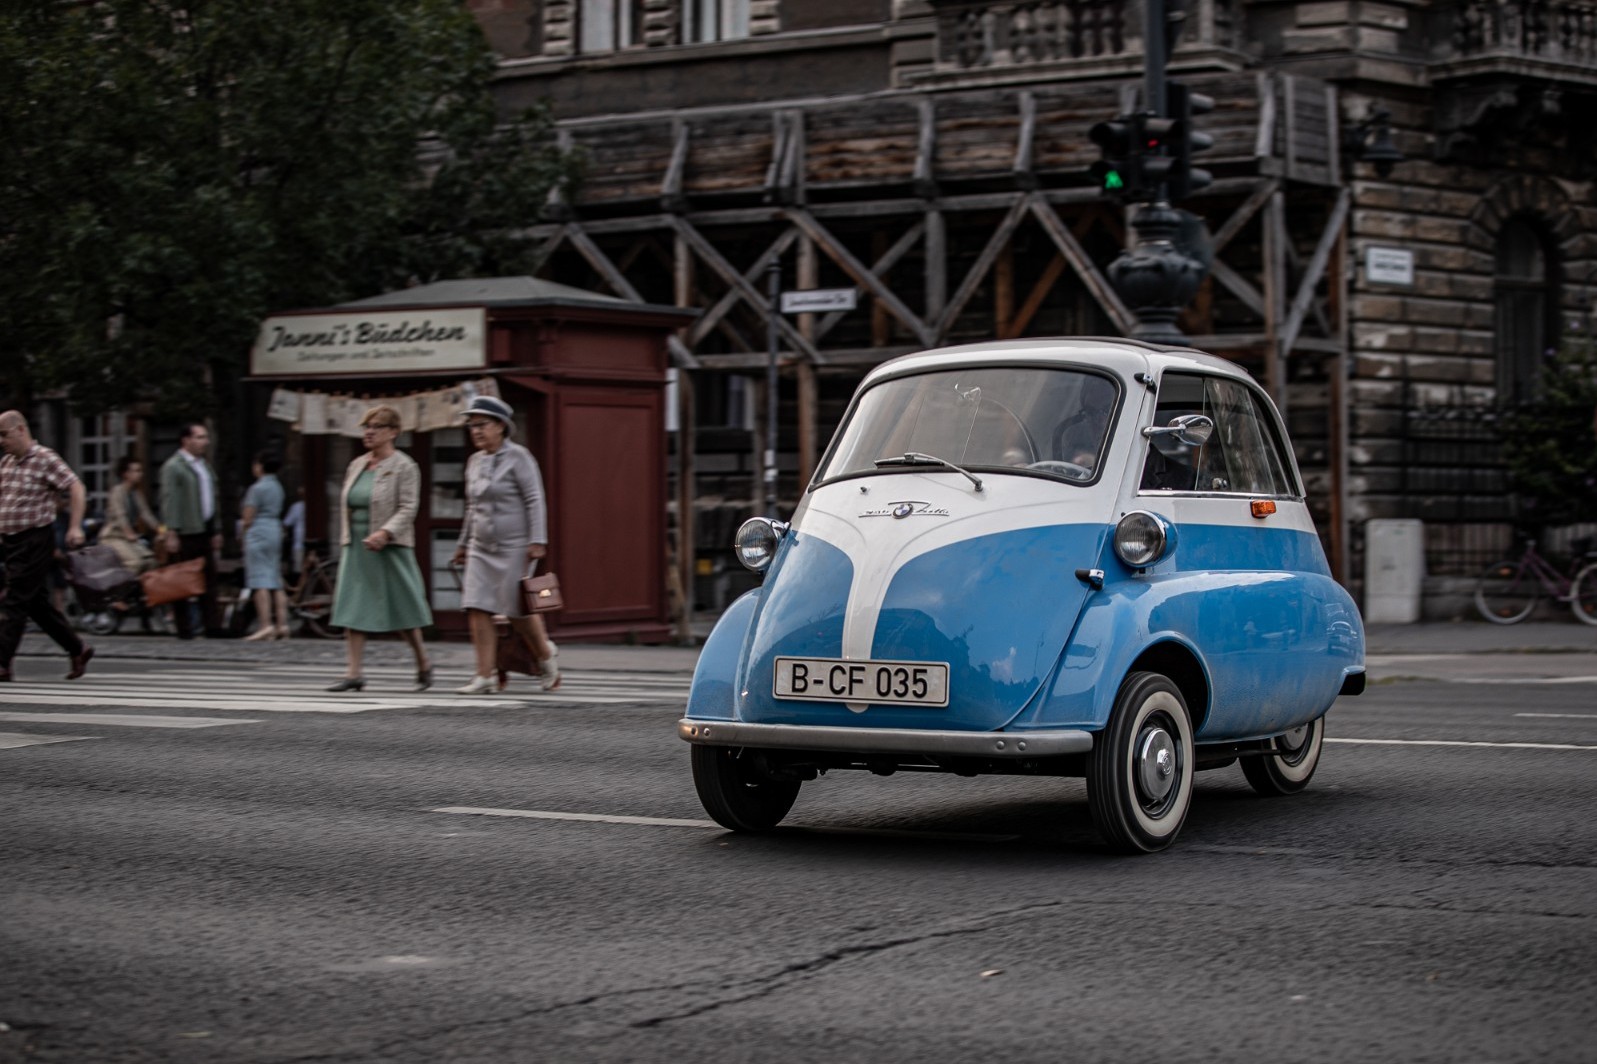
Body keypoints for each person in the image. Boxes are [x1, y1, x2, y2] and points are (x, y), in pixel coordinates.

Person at [451, 394, 559, 694]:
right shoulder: (474, 461)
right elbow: (472, 506)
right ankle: (483, 674)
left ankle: (546, 656)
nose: (476, 431)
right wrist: (462, 544)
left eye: (482, 424)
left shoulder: (519, 457)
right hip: (480, 546)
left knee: (517, 609)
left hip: (515, 545)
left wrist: (538, 540)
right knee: (477, 606)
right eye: (471, 426)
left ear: (500, 425)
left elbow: (534, 498)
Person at [326, 405, 434, 692]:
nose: (369, 432)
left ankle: (423, 662)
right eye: (366, 427)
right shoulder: (358, 464)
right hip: (357, 544)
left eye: (376, 426)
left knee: (403, 607)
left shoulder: (404, 466)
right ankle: (354, 672)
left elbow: (409, 507)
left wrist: (385, 533)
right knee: (353, 605)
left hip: (389, 545)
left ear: (393, 432)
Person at [0, 410, 94, 682]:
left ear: (21, 430)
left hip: (35, 539)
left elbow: (76, 487)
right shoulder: (6, 463)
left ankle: (2, 662)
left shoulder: (44, 458)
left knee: (16, 599)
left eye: (4, 435)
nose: (1, 441)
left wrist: (75, 526)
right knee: (36, 604)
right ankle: (78, 648)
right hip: (11, 541)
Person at [159, 422, 222, 639]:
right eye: (200, 437)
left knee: (209, 579)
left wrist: (216, 529)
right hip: (185, 529)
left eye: (205, 437)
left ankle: (212, 625)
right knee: (181, 581)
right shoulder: (174, 466)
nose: (205, 441)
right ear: (186, 440)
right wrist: (171, 531)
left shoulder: (203, 465)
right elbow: (170, 500)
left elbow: (213, 498)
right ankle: (184, 627)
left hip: (203, 528)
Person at [240, 451, 288, 641]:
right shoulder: (278, 487)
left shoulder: (257, 488)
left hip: (259, 531)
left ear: (260, 466)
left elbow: (248, 517)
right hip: (274, 529)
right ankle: (282, 624)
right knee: (275, 578)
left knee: (260, 580)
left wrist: (243, 534)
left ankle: (265, 624)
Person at [102, 455, 160, 575]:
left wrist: (162, 529)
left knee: (151, 561)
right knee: (135, 562)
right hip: (114, 537)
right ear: (126, 474)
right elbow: (120, 515)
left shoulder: (136, 494)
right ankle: (120, 590)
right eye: (136, 471)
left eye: (140, 471)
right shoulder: (117, 492)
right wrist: (129, 533)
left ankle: (141, 592)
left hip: (129, 538)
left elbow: (147, 514)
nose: (140, 474)